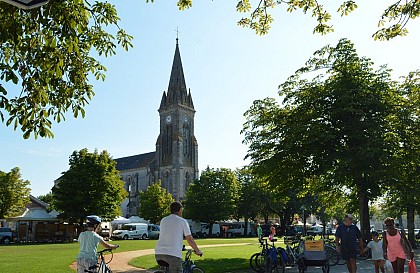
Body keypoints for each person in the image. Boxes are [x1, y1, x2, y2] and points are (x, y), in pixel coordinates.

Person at [155, 201, 203, 273]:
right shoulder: (182, 221)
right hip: (173, 255)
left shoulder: (163, 220)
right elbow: (189, 239)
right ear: (180, 210)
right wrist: (197, 250)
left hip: (159, 253)